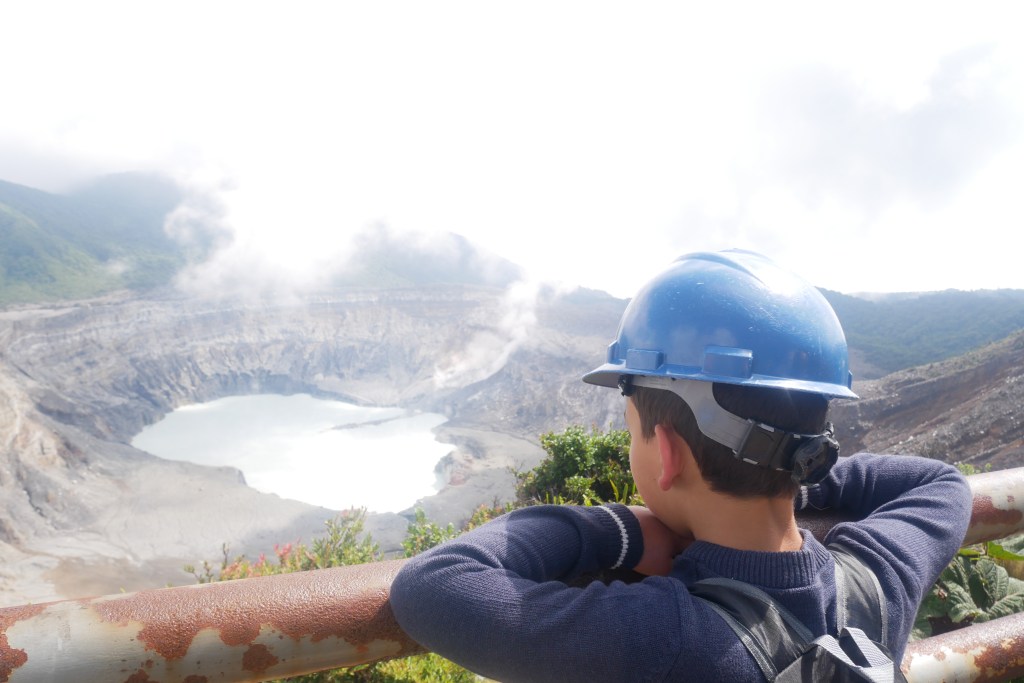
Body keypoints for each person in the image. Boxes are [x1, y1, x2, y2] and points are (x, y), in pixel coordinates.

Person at [389, 249, 972, 682]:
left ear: (666, 453)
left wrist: (616, 530)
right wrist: (790, 474)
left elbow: (432, 588)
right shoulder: (880, 580)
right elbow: (939, 482)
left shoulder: (670, 641)